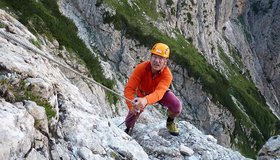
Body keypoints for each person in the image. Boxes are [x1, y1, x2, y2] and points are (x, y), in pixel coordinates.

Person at [124, 42, 182, 136]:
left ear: (165, 61)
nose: (157, 61)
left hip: (160, 94)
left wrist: (145, 100)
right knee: (130, 119)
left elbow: (159, 93)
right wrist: (132, 107)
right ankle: (128, 129)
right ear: (150, 57)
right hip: (142, 93)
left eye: (160, 58)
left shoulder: (167, 75)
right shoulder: (141, 68)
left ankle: (170, 122)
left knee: (176, 106)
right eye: (155, 57)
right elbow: (130, 88)